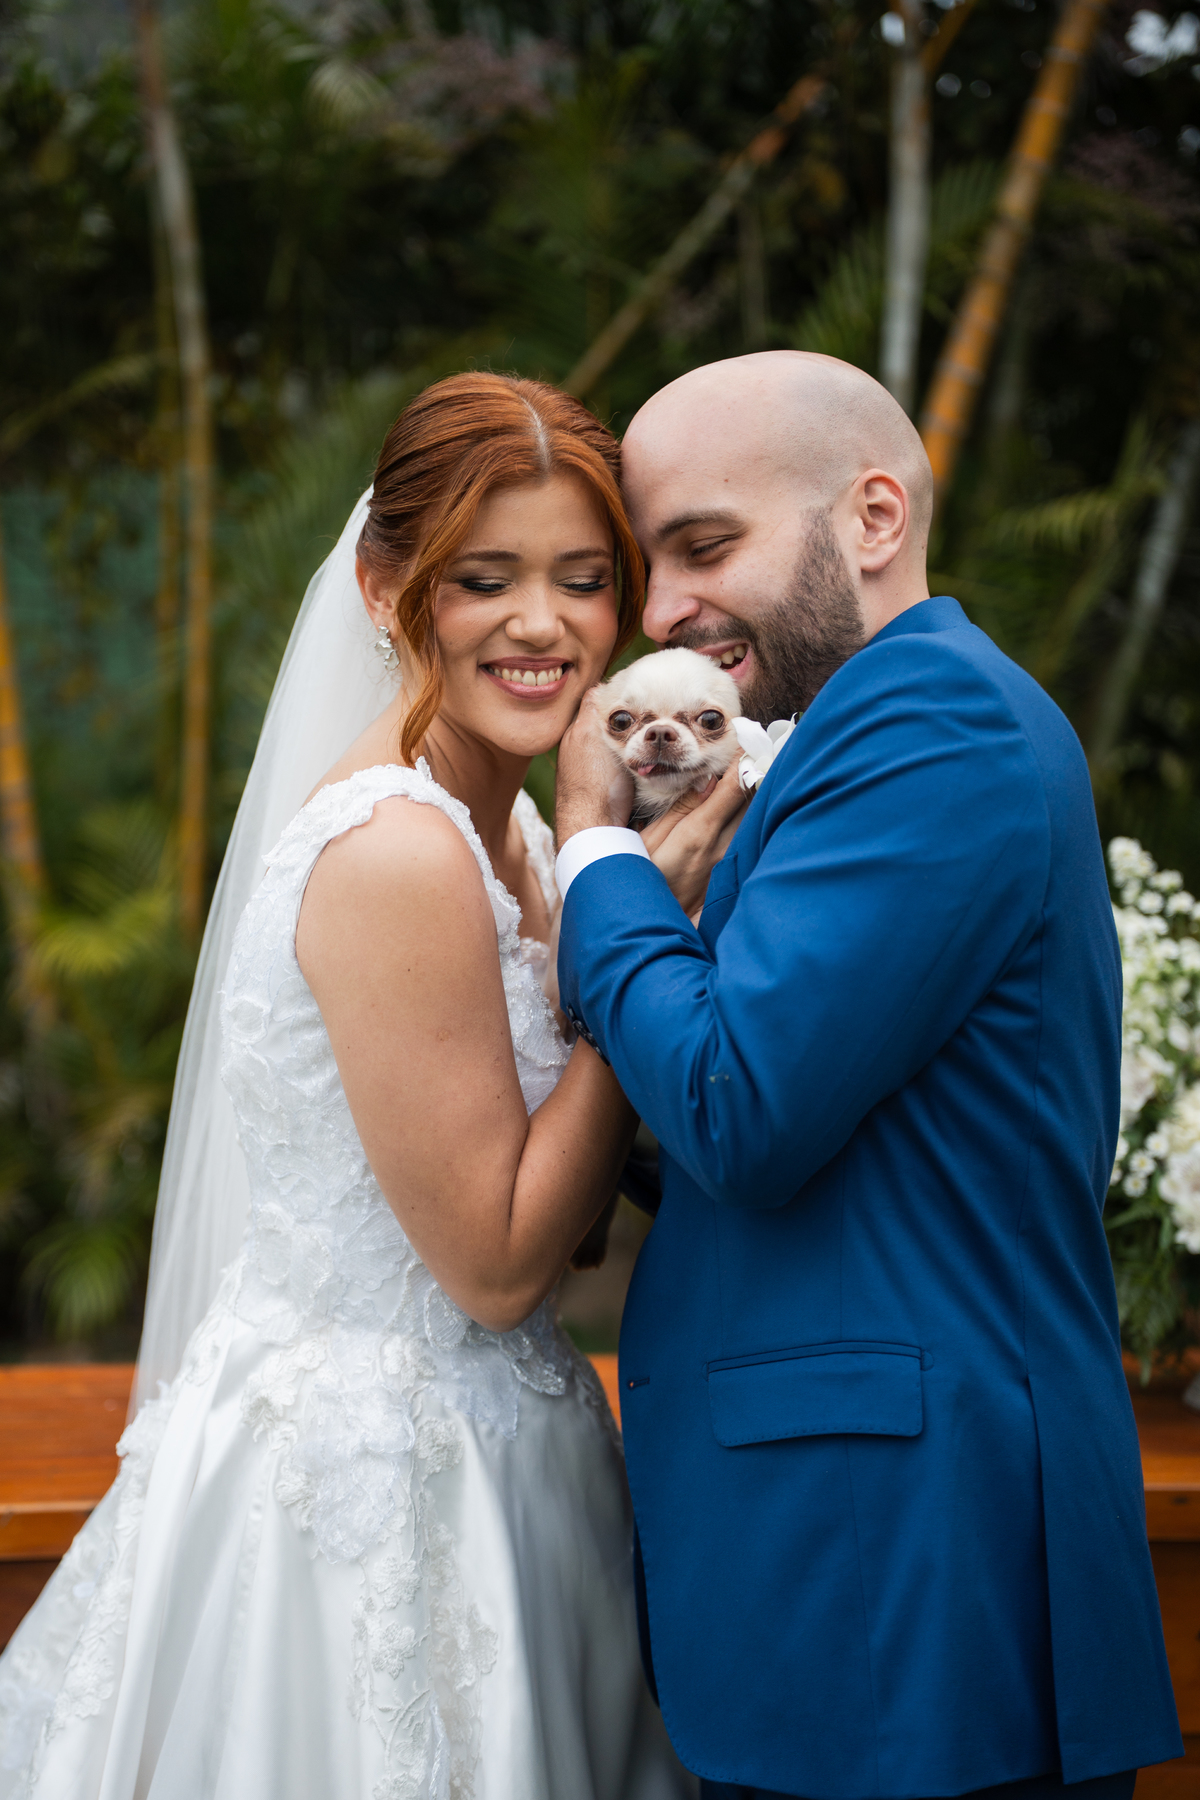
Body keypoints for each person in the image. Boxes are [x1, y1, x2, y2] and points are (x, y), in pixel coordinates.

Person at [0, 373, 697, 1800]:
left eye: (582, 580)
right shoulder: (397, 851)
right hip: (369, 1498)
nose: (541, 624)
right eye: (484, 580)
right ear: (387, 589)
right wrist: (649, 943)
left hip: (517, 1455)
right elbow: (498, 1266)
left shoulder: (516, 842)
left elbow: (565, 1220)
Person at [553, 350, 1182, 1800]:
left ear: (875, 517)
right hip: (846, 1564)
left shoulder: (928, 723)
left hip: (903, 1581)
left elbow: (741, 1108)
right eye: (649, 569)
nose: (662, 612)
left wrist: (592, 853)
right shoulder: (852, 735)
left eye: (706, 546)